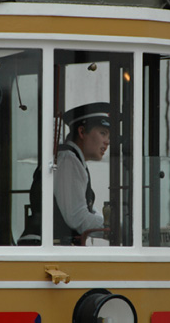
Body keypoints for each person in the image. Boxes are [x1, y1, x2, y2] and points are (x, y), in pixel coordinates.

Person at [53, 102, 110, 245]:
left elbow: (88, 212)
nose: (107, 142)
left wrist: (109, 224)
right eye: (103, 133)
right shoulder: (68, 160)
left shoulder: (74, 160)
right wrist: (113, 227)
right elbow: (78, 218)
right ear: (82, 132)